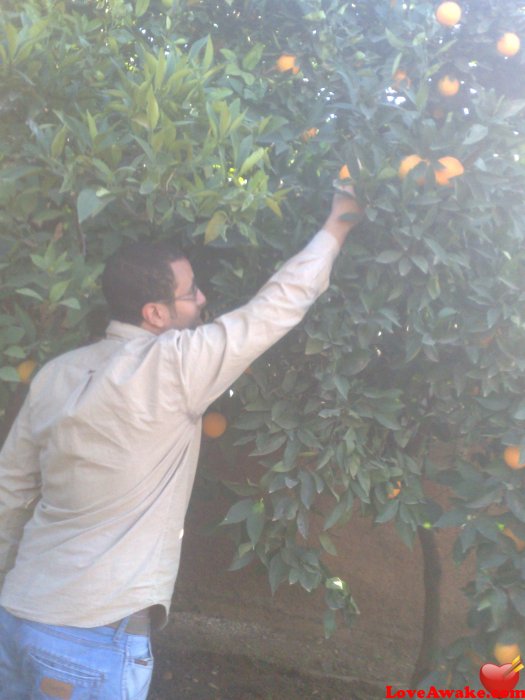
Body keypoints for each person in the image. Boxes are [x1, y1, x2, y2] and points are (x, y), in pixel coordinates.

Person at [0, 185, 362, 699]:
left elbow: (9, 495)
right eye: (191, 293)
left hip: (17, 619)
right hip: (90, 639)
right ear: (155, 314)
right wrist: (338, 226)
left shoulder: (56, 375)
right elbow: (274, 308)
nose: (202, 299)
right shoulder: (173, 365)